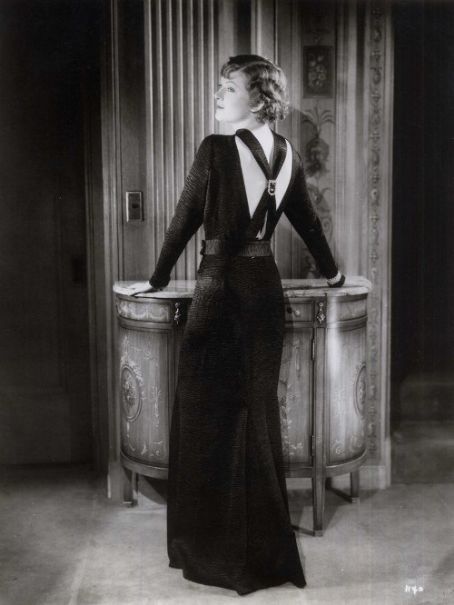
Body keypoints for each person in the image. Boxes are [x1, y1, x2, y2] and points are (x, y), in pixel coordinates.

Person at [129, 54, 345, 596]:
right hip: (264, 293)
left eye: (229, 87)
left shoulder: (216, 149)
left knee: (205, 417)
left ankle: (211, 552)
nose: (218, 95)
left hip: (220, 290)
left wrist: (157, 279)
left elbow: (184, 219)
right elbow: (309, 224)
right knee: (255, 416)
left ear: (257, 98)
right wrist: (334, 274)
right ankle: (264, 551)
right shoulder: (289, 154)